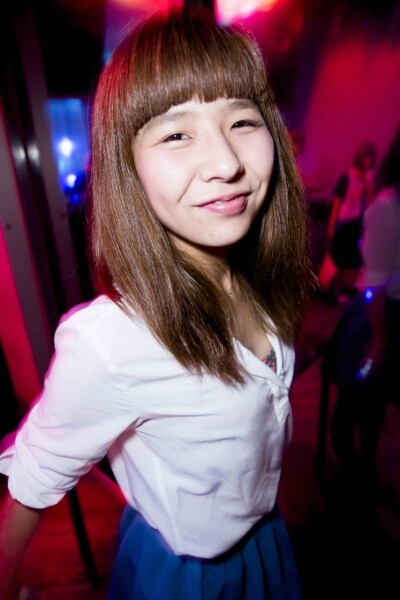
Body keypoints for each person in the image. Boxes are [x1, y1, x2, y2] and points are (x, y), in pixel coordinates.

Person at [0, 10, 312, 600]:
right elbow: (34, 476)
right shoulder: (112, 343)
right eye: (176, 134)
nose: (227, 163)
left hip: (269, 541)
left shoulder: (260, 279)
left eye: (242, 121)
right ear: (128, 166)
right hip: (190, 575)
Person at [329, 130, 400, 488]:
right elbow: (374, 284)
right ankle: (348, 479)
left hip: (391, 317)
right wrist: (379, 341)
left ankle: (365, 467)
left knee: (376, 400)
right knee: (355, 394)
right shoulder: (388, 207)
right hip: (375, 320)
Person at [325, 142, 377, 302]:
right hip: (344, 222)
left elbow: (370, 202)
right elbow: (337, 200)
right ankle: (332, 291)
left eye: (370, 158)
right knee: (338, 259)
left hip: (358, 224)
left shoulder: (367, 179)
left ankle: (343, 290)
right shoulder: (348, 176)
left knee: (351, 261)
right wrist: (332, 223)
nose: (368, 161)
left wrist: (369, 183)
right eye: (366, 157)